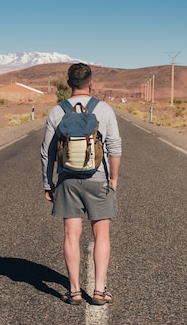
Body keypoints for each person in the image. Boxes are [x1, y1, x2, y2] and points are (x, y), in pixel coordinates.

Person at [40, 63, 122, 306]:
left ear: (68, 84)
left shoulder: (57, 112)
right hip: (99, 180)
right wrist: (114, 178)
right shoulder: (104, 110)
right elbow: (114, 147)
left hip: (67, 180)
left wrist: (48, 183)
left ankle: (74, 291)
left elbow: (47, 152)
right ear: (91, 82)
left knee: (71, 234)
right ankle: (98, 290)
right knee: (101, 235)